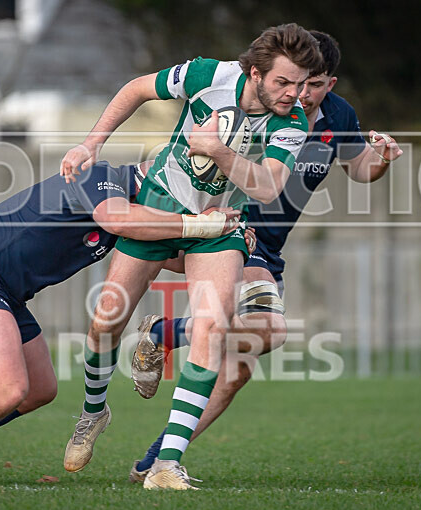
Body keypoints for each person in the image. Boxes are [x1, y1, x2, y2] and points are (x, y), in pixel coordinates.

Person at [127, 30, 404, 483]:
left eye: (313, 84)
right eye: (294, 83)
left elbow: (360, 170)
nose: (300, 93)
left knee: (235, 372)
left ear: (329, 84)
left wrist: (384, 157)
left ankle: (157, 458)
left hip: (272, 247)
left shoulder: (338, 116)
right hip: (238, 231)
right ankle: (164, 334)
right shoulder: (262, 108)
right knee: (269, 329)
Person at [59, 24, 323, 490]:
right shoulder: (208, 75)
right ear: (255, 73)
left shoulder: (293, 121)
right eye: (284, 82)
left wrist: (219, 152)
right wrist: (92, 141)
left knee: (212, 326)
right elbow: (137, 88)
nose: (295, 93)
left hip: (221, 226)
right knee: (105, 320)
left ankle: (166, 465)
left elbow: (267, 186)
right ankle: (94, 412)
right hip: (160, 206)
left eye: (302, 83)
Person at [0, 161, 242, 486]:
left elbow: (172, 253)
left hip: (6, 294)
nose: (173, 204)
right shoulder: (102, 178)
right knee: (5, 391)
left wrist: (230, 240)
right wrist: (199, 225)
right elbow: (120, 218)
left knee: (39, 390)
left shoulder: (132, 214)